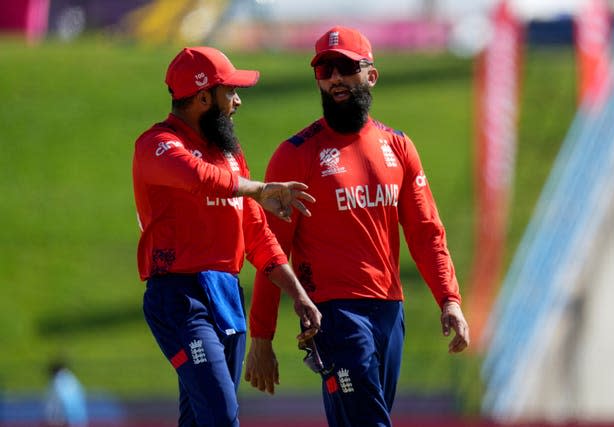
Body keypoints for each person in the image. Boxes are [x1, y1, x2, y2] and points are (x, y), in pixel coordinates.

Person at [245, 26, 470, 426]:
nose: (334, 78)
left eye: (345, 67)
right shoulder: (296, 155)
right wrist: (261, 336)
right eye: (324, 69)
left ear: (371, 75)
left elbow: (426, 231)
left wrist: (448, 298)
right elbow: (271, 249)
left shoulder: (398, 146)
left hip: (388, 311)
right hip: (332, 313)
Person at [132, 46, 322, 427]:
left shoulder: (229, 156)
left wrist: (298, 295)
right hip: (180, 299)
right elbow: (199, 180)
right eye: (230, 91)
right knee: (220, 414)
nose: (238, 101)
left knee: (201, 418)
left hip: (225, 295)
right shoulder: (157, 145)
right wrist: (258, 188)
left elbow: (257, 234)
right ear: (203, 97)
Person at [44, 360, 88, 427]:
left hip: (65, 418)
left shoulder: (56, 383)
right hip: (79, 418)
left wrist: (51, 418)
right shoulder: (72, 378)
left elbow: (56, 403)